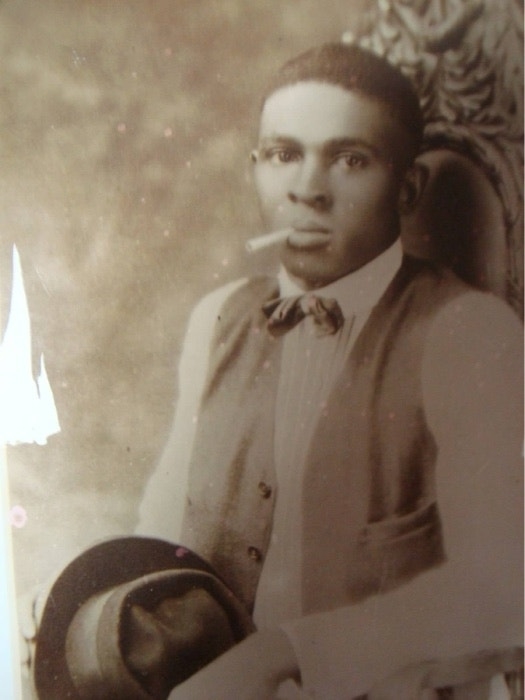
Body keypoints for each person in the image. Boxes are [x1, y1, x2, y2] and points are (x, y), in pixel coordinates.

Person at [136, 43, 523, 699]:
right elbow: (163, 526)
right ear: (255, 168)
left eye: (349, 159)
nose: (307, 190)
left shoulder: (466, 332)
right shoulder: (218, 319)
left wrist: (283, 656)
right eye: (284, 155)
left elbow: (502, 588)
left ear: (406, 189)